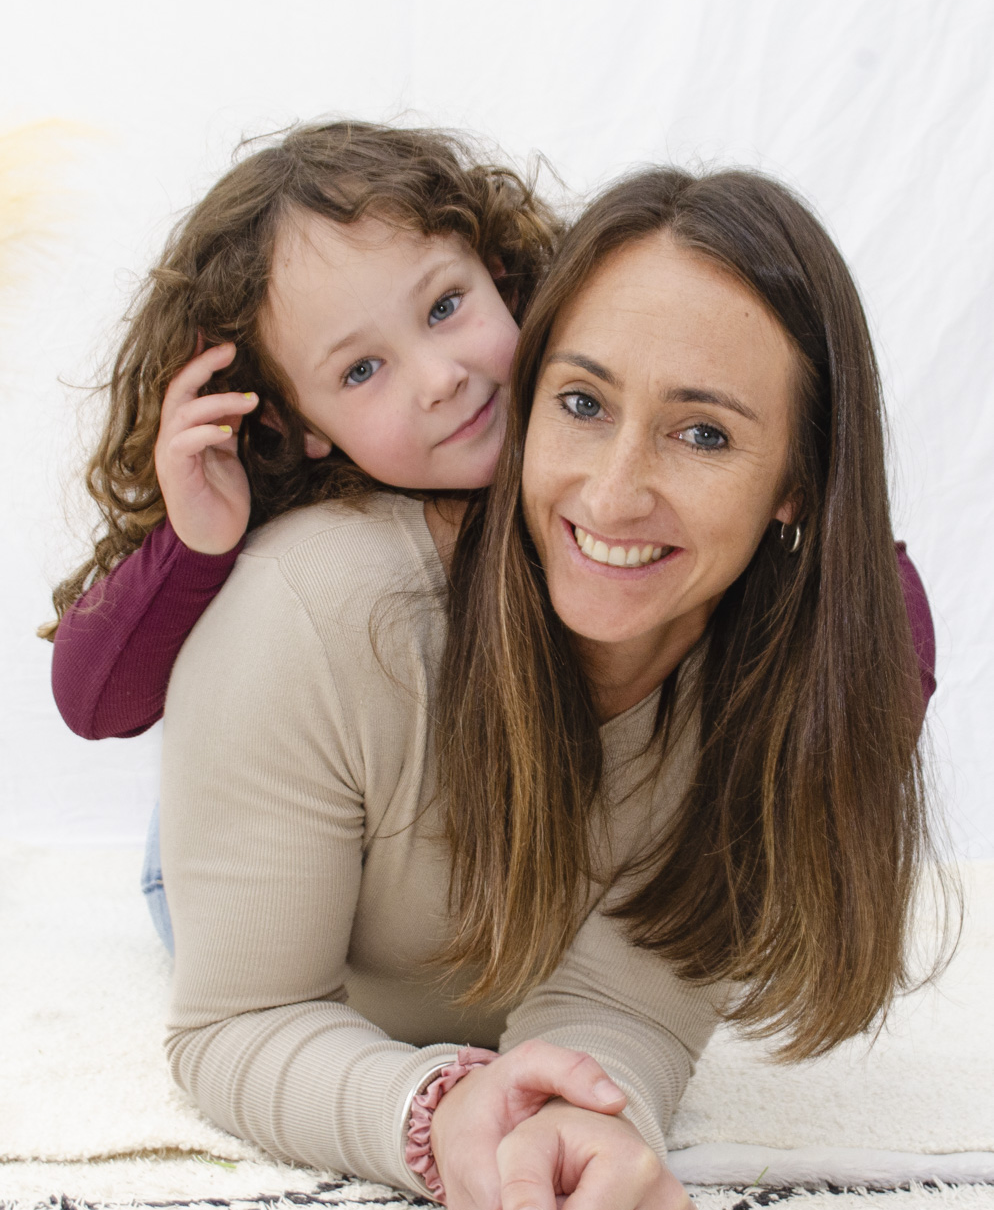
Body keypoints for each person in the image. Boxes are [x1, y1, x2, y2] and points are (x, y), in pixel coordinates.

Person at [154, 165, 947, 1210]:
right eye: (581, 403)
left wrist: (583, 1137)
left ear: (797, 482)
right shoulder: (311, 610)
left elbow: (625, 1005)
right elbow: (241, 1018)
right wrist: (443, 1116)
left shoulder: (783, 696)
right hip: (279, 774)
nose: (614, 496)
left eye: (703, 433)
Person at [46, 124, 935, 958]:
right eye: (361, 370)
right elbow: (94, 703)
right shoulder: (312, 542)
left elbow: (872, 585)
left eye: (444, 306)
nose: (440, 377)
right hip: (249, 860)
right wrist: (197, 545)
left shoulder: (594, 394)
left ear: (502, 277)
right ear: (295, 423)